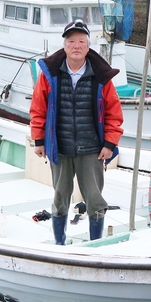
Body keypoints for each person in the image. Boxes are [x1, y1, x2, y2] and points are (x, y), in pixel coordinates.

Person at [30, 19, 124, 244]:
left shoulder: (101, 78)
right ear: (64, 45)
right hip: (59, 147)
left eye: (81, 41)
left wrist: (109, 143)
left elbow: (114, 112)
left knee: (95, 199)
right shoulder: (49, 75)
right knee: (60, 197)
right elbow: (38, 108)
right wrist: (39, 140)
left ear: (88, 46)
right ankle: (59, 243)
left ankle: (95, 244)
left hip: (91, 149)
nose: (76, 45)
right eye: (71, 41)